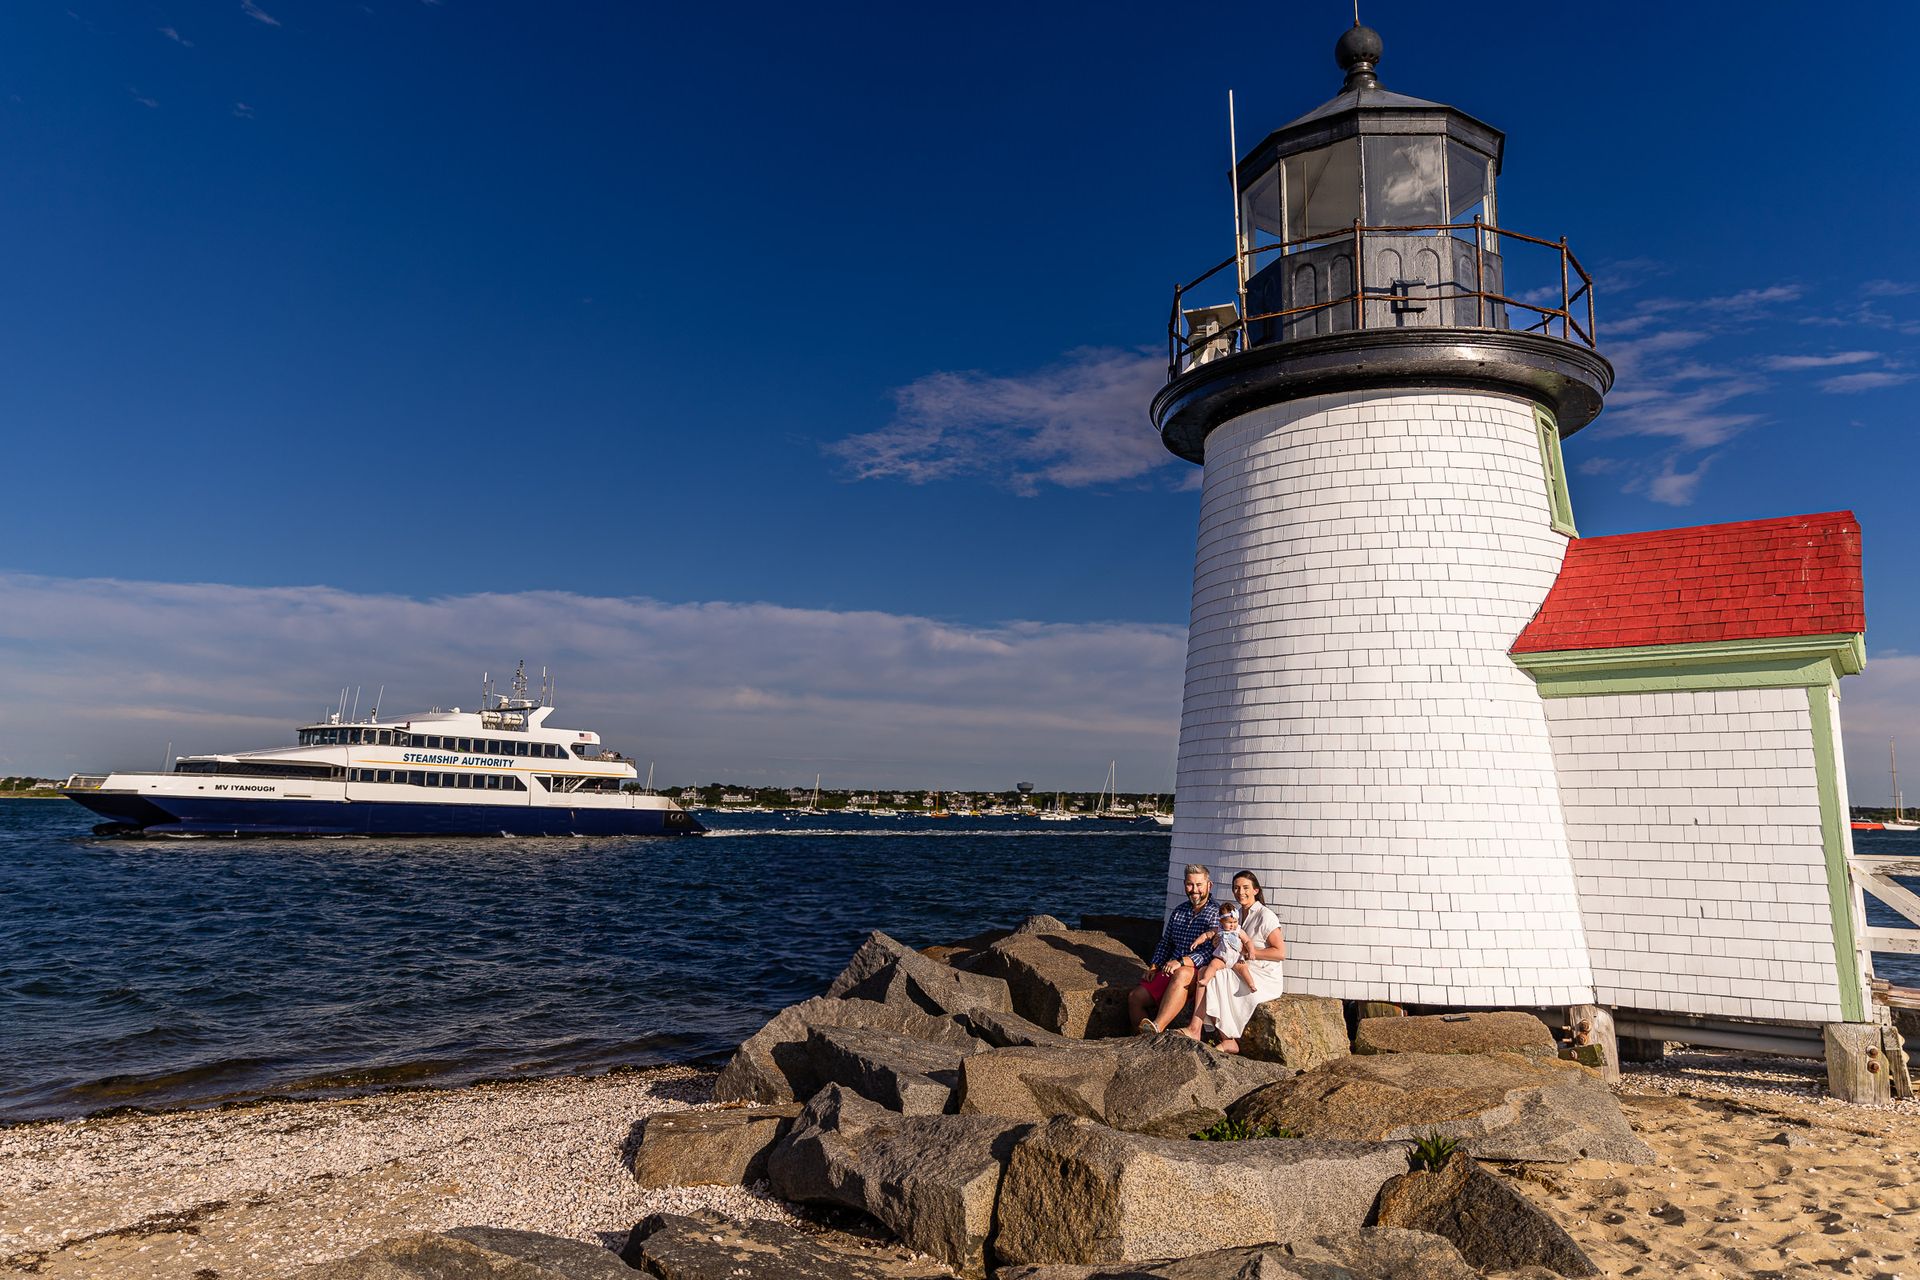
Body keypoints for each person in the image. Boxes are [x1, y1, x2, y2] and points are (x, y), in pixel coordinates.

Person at [1183, 869, 1285, 1053]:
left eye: (1245, 888)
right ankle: (1198, 1029)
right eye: (1236, 888)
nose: (1240, 892)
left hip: (1263, 974)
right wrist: (1217, 941)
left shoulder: (1265, 915)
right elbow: (1224, 936)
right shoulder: (1235, 914)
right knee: (1206, 971)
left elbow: (1279, 953)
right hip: (1240, 966)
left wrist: (1247, 952)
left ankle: (1222, 1037)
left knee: (1216, 977)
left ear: (1255, 890)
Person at [1129, 863, 1220, 1034]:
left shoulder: (1216, 913)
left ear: (1209, 885)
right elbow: (1166, 942)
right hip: (1170, 968)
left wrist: (1181, 961)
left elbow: (1210, 951)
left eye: (1199, 885)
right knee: (1135, 998)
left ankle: (1158, 1027)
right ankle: (1144, 1039)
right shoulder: (1179, 911)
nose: (1194, 890)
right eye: (1190, 884)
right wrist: (1155, 965)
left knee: (1182, 973)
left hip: (1197, 973)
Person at [1195, 901, 1260, 994]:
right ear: (1221, 921)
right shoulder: (1218, 930)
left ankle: (1251, 984)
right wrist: (1197, 941)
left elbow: (1247, 941)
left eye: (1235, 922)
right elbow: (1206, 935)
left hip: (1236, 958)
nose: (1233, 925)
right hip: (1222, 958)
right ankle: (1206, 979)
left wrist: (1251, 951)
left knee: (1243, 968)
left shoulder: (1239, 931)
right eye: (1229, 922)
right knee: (1213, 965)